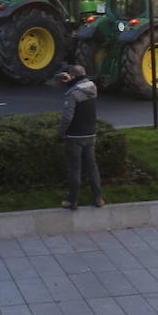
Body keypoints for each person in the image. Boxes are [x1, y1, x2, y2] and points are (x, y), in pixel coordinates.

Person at [57, 64, 103, 210]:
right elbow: (80, 87)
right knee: (92, 167)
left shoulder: (73, 94)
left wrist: (61, 132)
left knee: (74, 168)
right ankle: (98, 198)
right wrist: (70, 81)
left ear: (74, 76)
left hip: (74, 136)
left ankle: (72, 201)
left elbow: (67, 117)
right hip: (91, 134)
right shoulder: (92, 88)